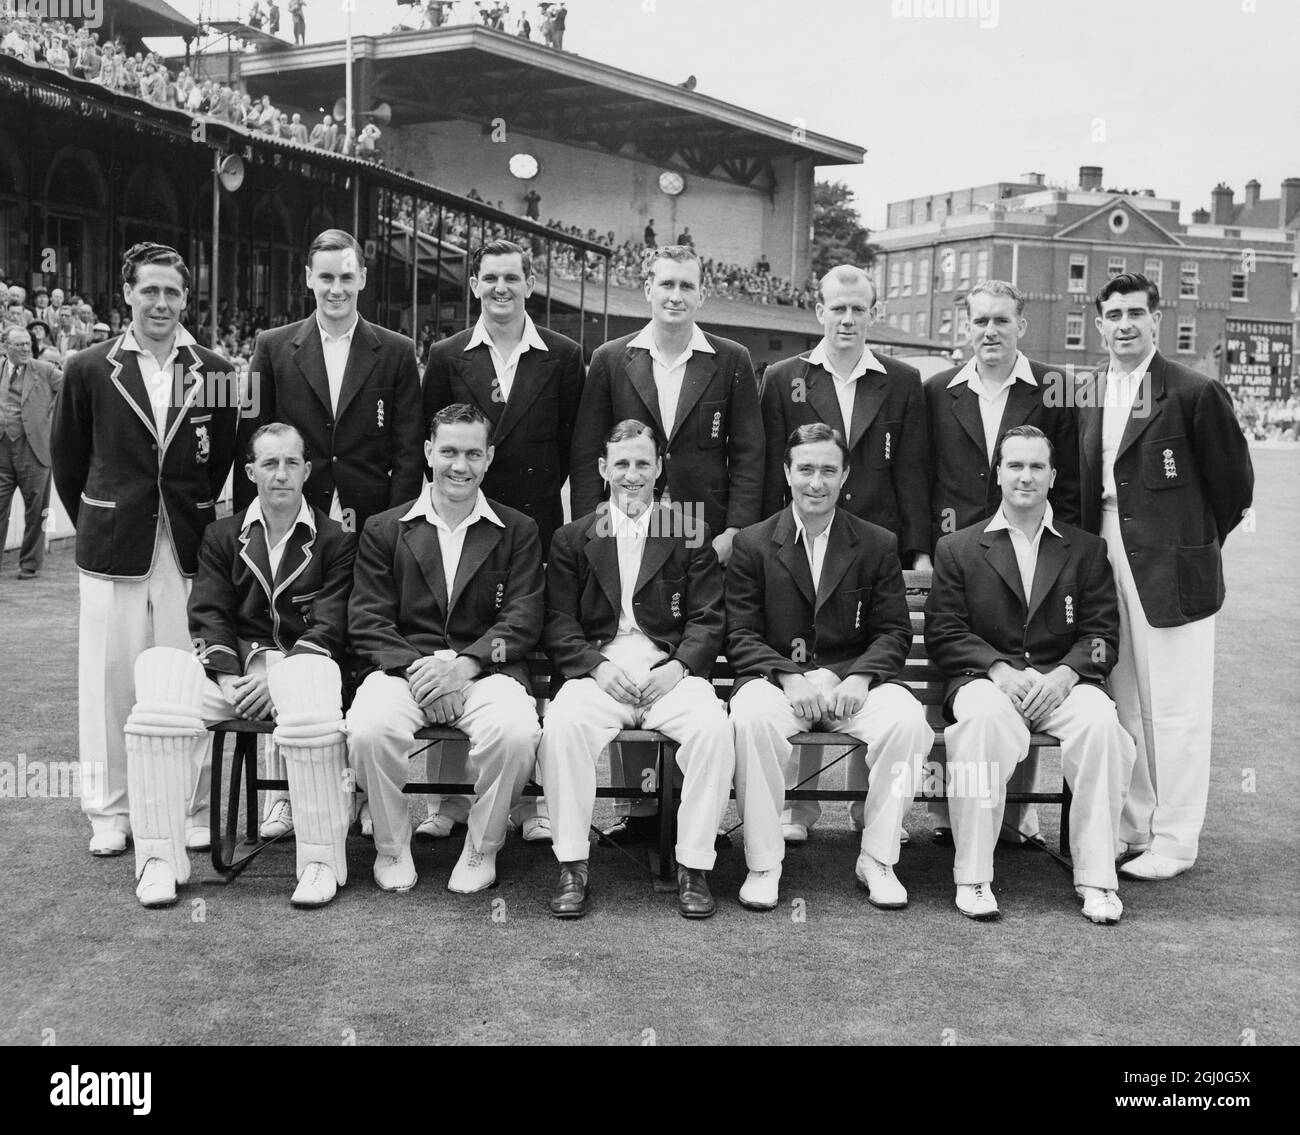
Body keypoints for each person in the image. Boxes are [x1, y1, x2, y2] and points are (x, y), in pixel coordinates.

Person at [52, 242, 240, 857]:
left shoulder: (213, 369)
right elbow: (69, 461)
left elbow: (222, 457)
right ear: (127, 293)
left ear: (187, 299)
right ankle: (111, 810)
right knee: (111, 678)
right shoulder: (86, 366)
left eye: (173, 292)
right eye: (149, 290)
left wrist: (187, 512)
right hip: (114, 544)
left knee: (190, 677)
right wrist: (109, 510)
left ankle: (192, 804)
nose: (161, 303)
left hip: (187, 545)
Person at [571, 243, 762, 838]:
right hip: (625, 529)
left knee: (685, 656)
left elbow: (750, 451)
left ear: (701, 293)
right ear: (646, 289)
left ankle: (688, 807)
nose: (675, 296)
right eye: (665, 285)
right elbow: (586, 454)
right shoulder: (610, 358)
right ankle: (642, 805)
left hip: (703, 540)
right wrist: (592, 533)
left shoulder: (730, 359)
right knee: (629, 647)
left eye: (686, 286)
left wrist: (735, 528)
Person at [125, 423, 355, 908]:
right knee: (160, 678)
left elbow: (331, 625)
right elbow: (208, 613)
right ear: (250, 471)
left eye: (292, 463)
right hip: (234, 677)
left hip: (302, 676)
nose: (281, 475)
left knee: (309, 687)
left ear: (308, 470)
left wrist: (278, 677)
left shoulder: (336, 540)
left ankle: (320, 862)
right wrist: (233, 677)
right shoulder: (222, 534)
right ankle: (158, 859)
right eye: (269, 464)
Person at [1078, 273, 1254, 880]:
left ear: (1156, 319)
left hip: (1171, 564)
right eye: (1113, 314)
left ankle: (1177, 840)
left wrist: (1191, 546)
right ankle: (1134, 826)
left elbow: (1234, 489)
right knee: (1119, 697)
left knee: (1174, 708)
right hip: (1102, 553)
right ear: (1098, 323)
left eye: (1135, 312)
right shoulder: (1086, 391)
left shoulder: (1194, 391)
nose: (1124, 324)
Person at [925, 425, 1135, 924]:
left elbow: (1102, 635)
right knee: (981, 723)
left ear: (1052, 475)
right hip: (985, 682)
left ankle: (1098, 879)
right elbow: (944, 632)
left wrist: (1065, 675)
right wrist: (997, 669)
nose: (1025, 476)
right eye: (1015, 465)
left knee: (1103, 724)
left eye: (1036, 466)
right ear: (998, 473)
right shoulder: (958, 547)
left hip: (1063, 684)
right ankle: (974, 876)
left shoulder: (1085, 550)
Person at [727, 422, 933, 911]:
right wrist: (789, 676)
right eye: (805, 470)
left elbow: (894, 631)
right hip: (778, 683)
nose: (815, 483)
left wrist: (860, 677)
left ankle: (878, 859)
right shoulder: (754, 544)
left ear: (845, 476)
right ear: (786, 472)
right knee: (750, 717)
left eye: (827, 471)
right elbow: (739, 633)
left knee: (907, 720)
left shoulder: (877, 542)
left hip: (851, 683)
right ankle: (763, 863)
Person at [419, 239, 584, 840]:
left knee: (530, 656)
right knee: (449, 636)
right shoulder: (445, 354)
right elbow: (434, 443)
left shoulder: (563, 355)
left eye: (511, 277)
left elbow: (575, 446)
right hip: (462, 521)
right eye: (489, 278)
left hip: (532, 528)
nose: (501, 288)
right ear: (473, 285)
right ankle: (446, 800)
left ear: (530, 284)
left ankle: (530, 802)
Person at [759, 263, 929, 842]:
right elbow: (770, 469)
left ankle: (866, 809)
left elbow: (913, 469)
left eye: (859, 308)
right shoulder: (784, 377)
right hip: (800, 538)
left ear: (873, 313)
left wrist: (918, 552)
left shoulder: (903, 380)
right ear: (819, 311)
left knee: (857, 662)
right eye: (838, 307)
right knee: (804, 646)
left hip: (870, 545)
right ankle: (799, 807)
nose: (848, 318)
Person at [346, 403, 544, 895]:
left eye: (473, 453)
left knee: (518, 733)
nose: (460, 465)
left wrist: (465, 666)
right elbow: (367, 618)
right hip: (404, 672)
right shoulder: (384, 528)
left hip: (484, 673)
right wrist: (423, 671)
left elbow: (523, 618)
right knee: (368, 729)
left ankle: (483, 847)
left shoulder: (517, 529)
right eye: (450, 451)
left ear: (490, 456)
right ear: (429, 451)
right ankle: (391, 848)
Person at [540, 420, 733, 919]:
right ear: (604, 470)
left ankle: (693, 865)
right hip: (600, 672)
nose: (632, 475)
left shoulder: (689, 532)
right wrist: (596, 669)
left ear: (659, 468)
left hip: (668, 672)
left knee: (713, 728)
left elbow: (709, 620)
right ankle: (571, 864)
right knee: (562, 725)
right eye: (621, 464)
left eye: (642, 463)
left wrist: (679, 668)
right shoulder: (571, 538)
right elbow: (559, 624)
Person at [924, 278, 1081, 846]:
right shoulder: (940, 388)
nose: (990, 331)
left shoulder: (1056, 386)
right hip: (964, 551)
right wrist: (928, 547)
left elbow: (1071, 477)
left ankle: (1016, 814)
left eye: (1001, 320)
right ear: (966, 327)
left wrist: (1066, 546)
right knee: (976, 675)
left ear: (1022, 325)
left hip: (1037, 544)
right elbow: (922, 471)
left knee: (1032, 656)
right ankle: (953, 817)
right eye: (980, 321)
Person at [235, 229, 423, 535]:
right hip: (292, 518)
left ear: (362, 278)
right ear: (309, 278)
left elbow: (409, 453)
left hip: (370, 522)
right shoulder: (270, 347)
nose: (337, 289)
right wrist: (246, 527)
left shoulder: (398, 351)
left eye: (346, 278)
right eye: (326, 277)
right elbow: (249, 438)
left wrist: (397, 528)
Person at [0, 326, 61, 579]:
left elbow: (73, 386)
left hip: (34, 450)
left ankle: (30, 564)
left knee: (37, 511)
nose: (26, 348)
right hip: (2, 447)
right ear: (5, 347)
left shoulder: (45, 370)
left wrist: (54, 419)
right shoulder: (1, 368)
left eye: (28, 344)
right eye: (19, 345)